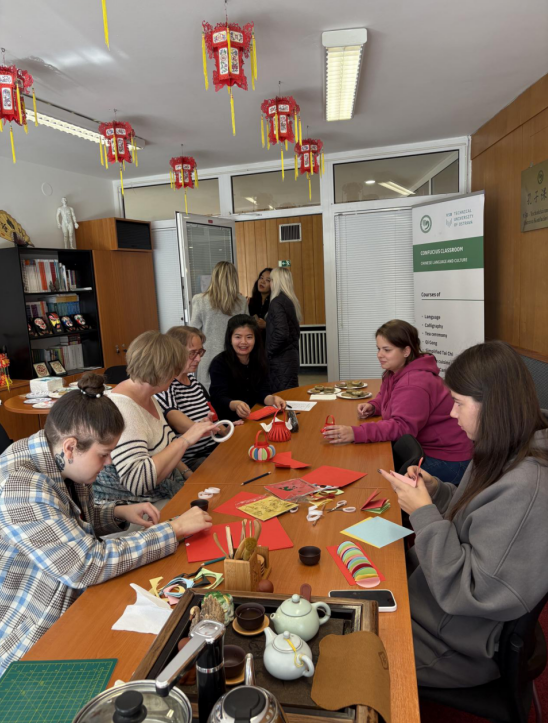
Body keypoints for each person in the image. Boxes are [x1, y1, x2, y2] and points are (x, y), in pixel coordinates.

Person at [0, 372, 212, 676]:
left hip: (68, 601)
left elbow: (67, 522)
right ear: (71, 447)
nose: (109, 462)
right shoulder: (21, 487)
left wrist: (119, 512)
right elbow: (86, 564)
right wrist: (173, 530)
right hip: (31, 634)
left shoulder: (58, 458)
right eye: (104, 454)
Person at [378, 341, 548, 688]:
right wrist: (438, 492)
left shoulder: (526, 487)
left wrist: (423, 513)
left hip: (456, 641)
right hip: (437, 607)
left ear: (493, 405)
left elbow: (467, 591)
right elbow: (475, 517)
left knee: (350, 643)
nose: (452, 414)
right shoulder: (502, 446)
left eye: (458, 403)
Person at [323, 320, 472, 484]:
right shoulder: (396, 370)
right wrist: (374, 406)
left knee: (378, 481)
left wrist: (355, 433)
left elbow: (402, 427)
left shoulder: (413, 383)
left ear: (406, 351)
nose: (380, 355)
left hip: (449, 460)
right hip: (430, 450)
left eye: (387, 350)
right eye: (378, 349)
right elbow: (388, 395)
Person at [94, 331, 219, 505]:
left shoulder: (148, 396)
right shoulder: (123, 409)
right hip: (138, 506)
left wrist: (188, 475)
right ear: (162, 371)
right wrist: (185, 440)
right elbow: (137, 483)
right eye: (175, 370)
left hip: (163, 491)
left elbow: (166, 448)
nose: (176, 375)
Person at [156, 326, 242, 471]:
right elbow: (175, 420)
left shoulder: (194, 382)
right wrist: (208, 428)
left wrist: (226, 430)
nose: (198, 358)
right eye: (192, 353)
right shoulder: (167, 386)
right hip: (191, 459)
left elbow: (211, 419)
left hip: (212, 449)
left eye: (200, 352)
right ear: (175, 352)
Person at [209, 314, 286, 421]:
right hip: (230, 421)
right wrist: (235, 405)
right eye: (238, 337)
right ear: (230, 339)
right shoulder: (219, 363)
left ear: (255, 339)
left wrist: (272, 399)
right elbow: (218, 398)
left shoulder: (259, 359)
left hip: (254, 415)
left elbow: (262, 391)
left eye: (249, 337)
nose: (244, 342)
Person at [190, 261, 248, 390]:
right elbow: (247, 329)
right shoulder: (242, 301)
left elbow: (193, 332)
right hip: (235, 356)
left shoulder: (200, 300)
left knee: (209, 394)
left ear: (214, 277)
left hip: (208, 356)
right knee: (234, 393)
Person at [265, 267, 301, 392]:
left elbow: (281, 333)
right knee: (290, 395)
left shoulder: (276, 302)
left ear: (276, 282)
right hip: (290, 358)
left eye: (270, 280)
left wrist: (267, 352)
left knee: (282, 397)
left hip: (280, 361)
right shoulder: (290, 301)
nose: (269, 283)